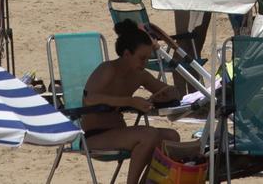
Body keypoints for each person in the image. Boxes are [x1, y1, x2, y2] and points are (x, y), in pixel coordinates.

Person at [77, 22, 200, 184]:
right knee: (148, 134)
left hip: (119, 132)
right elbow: (89, 99)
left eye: (148, 59)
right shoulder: (108, 69)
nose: (144, 63)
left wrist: (166, 94)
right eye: (142, 58)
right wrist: (130, 101)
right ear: (127, 54)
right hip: (95, 136)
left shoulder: (139, 74)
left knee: (171, 136)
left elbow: (172, 91)